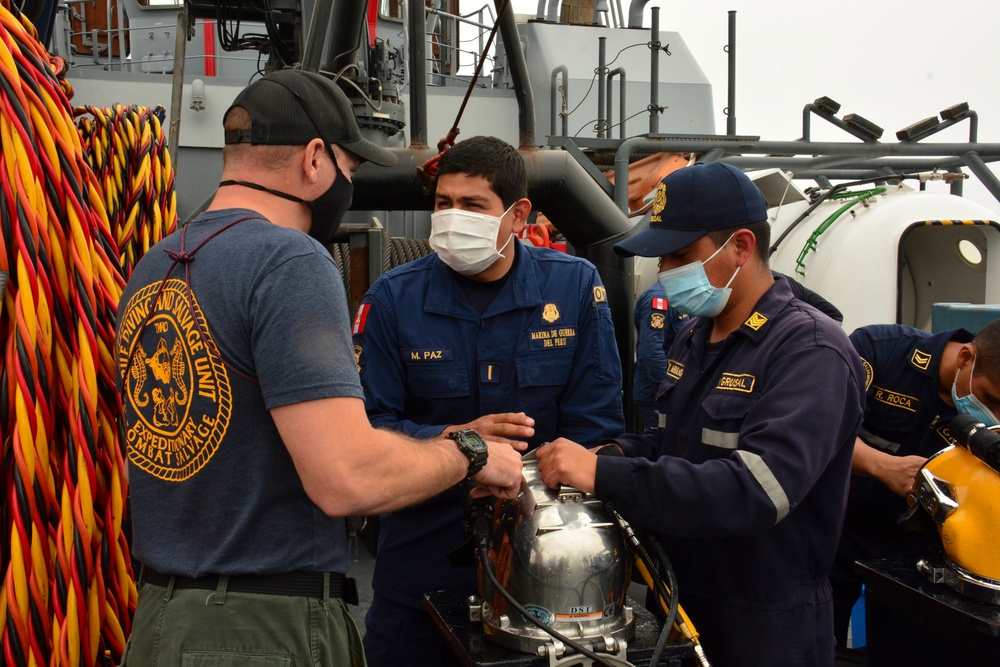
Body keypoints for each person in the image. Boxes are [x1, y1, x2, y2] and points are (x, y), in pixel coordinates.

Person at [114, 70, 524, 666]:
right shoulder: (289, 260)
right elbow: (347, 479)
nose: (348, 187)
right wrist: (472, 451)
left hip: (162, 619)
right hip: (263, 630)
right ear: (314, 160)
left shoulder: (157, 262)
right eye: (349, 170)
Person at [535, 161, 866, 667]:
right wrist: (614, 451)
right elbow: (673, 443)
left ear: (741, 246)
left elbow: (756, 490)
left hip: (765, 624)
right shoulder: (696, 336)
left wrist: (603, 474)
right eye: (663, 260)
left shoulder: (810, 350)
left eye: (680, 256)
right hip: (680, 600)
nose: (666, 273)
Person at [352, 135, 626, 666]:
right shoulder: (391, 300)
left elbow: (596, 426)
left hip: (543, 571)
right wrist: (460, 450)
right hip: (421, 567)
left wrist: (520, 479)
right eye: (442, 204)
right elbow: (369, 429)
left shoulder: (573, 289)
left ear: (518, 213)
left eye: (473, 206)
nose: (452, 218)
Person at [830, 319, 1000, 648]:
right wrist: (883, 466)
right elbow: (820, 428)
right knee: (820, 643)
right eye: (990, 399)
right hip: (837, 532)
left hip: (919, 557)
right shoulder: (879, 351)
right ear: (965, 357)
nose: (994, 415)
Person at [633, 274, 841, 432]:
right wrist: (675, 391)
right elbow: (651, 354)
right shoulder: (660, 301)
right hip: (660, 390)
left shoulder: (807, 335)